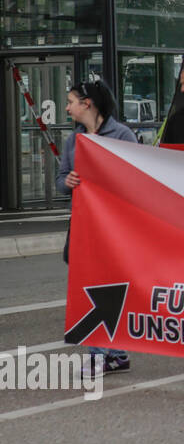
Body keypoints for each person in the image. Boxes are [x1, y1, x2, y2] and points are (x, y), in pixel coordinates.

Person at [58, 80, 138, 376]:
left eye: (70, 101)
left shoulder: (122, 135)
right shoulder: (73, 140)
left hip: (114, 227)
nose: (67, 107)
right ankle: (114, 354)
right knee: (88, 284)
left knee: (106, 285)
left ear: (87, 103)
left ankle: (101, 355)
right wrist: (66, 183)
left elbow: (136, 179)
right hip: (83, 225)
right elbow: (61, 178)